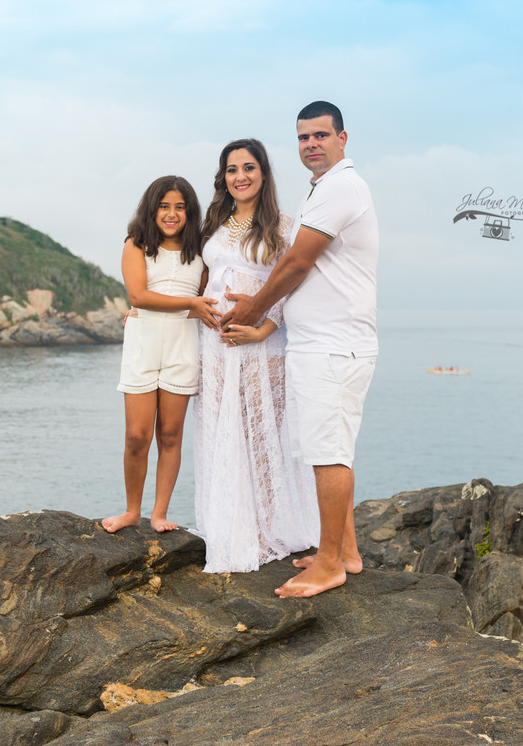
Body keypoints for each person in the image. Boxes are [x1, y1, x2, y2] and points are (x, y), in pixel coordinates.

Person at [221, 101, 378, 598]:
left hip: (333, 346)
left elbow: (295, 264)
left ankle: (330, 564)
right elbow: (295, 266)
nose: (311, 144)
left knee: (328, 452)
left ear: (342, 139)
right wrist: (263, 307)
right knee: (327, 448)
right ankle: (346, 551)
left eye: (321, 135)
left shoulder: (341, 187)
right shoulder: (324, 190)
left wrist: (253, 312)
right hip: (322, 344)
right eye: (303, 137)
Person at [193, 138, 320, 573]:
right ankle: (227, 524)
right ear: (222, 178)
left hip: (262, 344)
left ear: (263, 174)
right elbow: (202, 279)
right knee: (219, 431)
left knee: (261, 437)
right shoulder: (214, 223)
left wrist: (264, 327)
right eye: (231, 169)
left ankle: (268, 529)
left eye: (249, 167)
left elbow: (294, 282)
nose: (240, 176)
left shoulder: (283, 226)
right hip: (215, 345)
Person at [103, 176, 219, 534]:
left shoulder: (201, 250)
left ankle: (159, 513)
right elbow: (138, 296)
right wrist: (189, 304)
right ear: (151, 209)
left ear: (190, 211)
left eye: (180, 207)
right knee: (137, 436)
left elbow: (208, 295)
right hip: (142, 343)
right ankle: (131, 511)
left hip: (183, 345)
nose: (171, 214)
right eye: (164, 206)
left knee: (170, 434)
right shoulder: (135, 245)